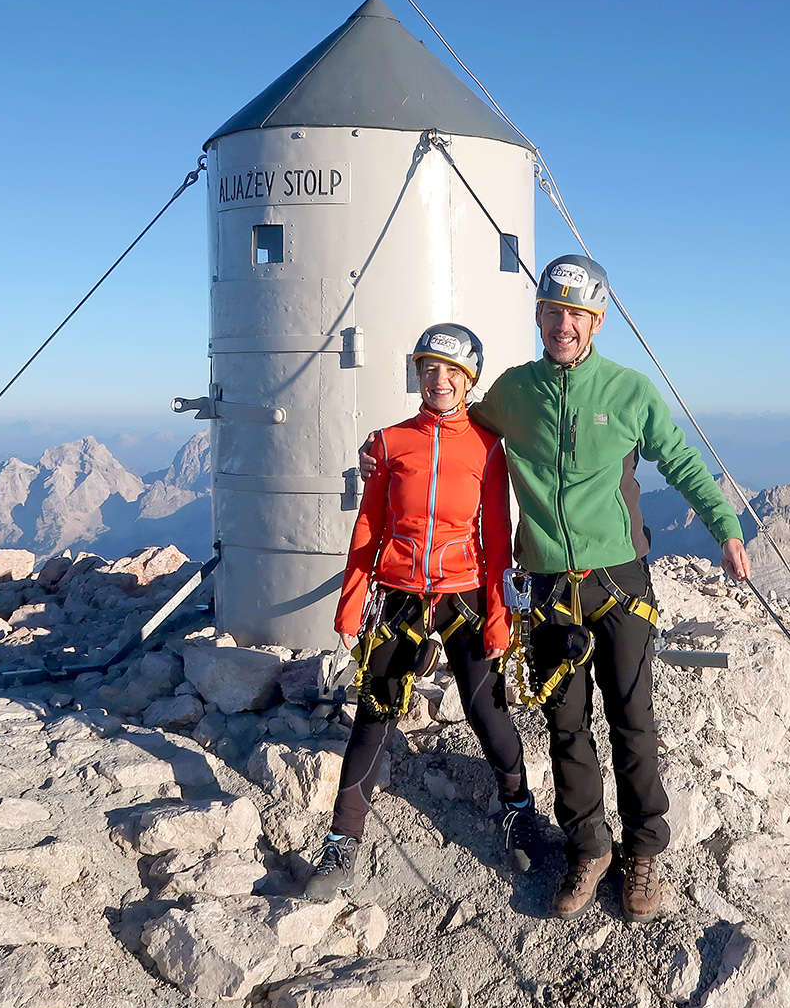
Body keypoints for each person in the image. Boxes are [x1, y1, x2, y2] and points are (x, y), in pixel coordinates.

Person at [363, 255, 749, 922]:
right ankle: (589, 847)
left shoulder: (628, 392)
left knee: (633, 720)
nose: (562, 324)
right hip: (544, 588)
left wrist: (725, 527)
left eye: (575, 314)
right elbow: (449, 428)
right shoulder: (513, 392)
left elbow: (679, 458)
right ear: (538, 317)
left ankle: (643, 852)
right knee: (566, 723)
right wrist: (384, 449)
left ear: (595, 322)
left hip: (618, 578)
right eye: (551, 311)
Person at [302, 322, 538, 903]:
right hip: (400, 592)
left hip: (464, 593)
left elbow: (498, 534)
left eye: (451, 372)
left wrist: (501, 614)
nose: (439, 380)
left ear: (468, 381)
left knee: (487, 711)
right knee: (375, 714)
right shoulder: (387, 444)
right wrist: (351, 606)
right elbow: (369, 527)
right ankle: (343, 836)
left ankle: (518, 806)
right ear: (418, 375)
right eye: (429, 369)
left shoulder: (486, 449)